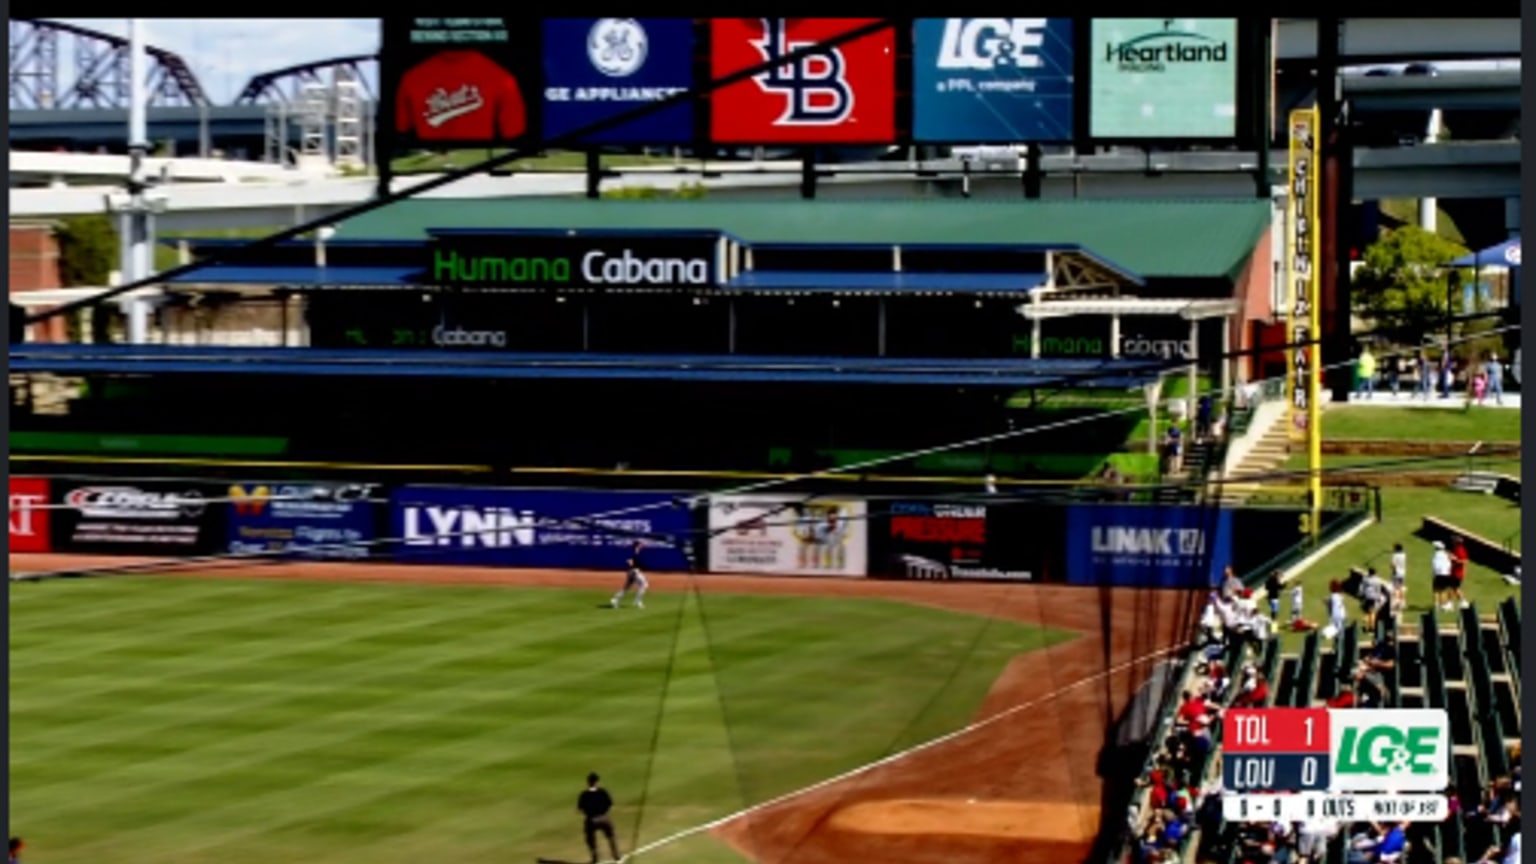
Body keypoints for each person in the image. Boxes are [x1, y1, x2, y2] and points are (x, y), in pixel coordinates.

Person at [577, 772, 621, 864]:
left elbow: (580, 809)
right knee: (611, 835)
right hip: (604, 818)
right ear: (597, 782)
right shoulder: (602, 792)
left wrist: (588, 813)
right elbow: (610, 804)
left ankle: (595, 858)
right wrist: (604, 812)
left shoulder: (584, 794)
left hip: (591, 820)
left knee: (590, 838)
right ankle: (616, 855)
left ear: (588, 782)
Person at [610, 541, 649, 609]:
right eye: (640, 544)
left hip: (632, 572)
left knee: (627, 588)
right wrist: (633, 570)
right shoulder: (633, 552)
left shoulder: (636, 552)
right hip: (634, 572)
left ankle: (615, 600)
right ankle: (637, 601)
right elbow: (629, 562)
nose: (642, 546)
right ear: (637, 545)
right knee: (644, 584)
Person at [1448, 535, 1471, 611]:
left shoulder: (1460, 549)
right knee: (1453, 588)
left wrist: (1455, 559)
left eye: (1454, 541)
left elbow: (1465, 561)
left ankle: (1460, 602)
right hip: (1454, 572)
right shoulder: (1456, 549)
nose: (1452, 542)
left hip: (1458, 573)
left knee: (1454, 588)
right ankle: (1458, 602)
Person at [1431, 540, 1454, 611]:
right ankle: (1443, 605)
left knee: (1436, 590)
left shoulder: (1435, 555)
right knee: (1443, 590)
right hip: (1446, 574)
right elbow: (1450, 564)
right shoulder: (1446, 554)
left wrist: (1434, 573)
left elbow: (1434, 565)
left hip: (1438, 574)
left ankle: (1437, 605)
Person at [1390, 543, 1408, 615]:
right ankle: (1403, 602)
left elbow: (1393, 565)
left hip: (1396, 573)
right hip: (1402, 573)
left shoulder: (1395, 555)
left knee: (1395, 588)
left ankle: (1397, 603)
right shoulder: (1404, 555)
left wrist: (1392, 567)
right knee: (1401, 587)